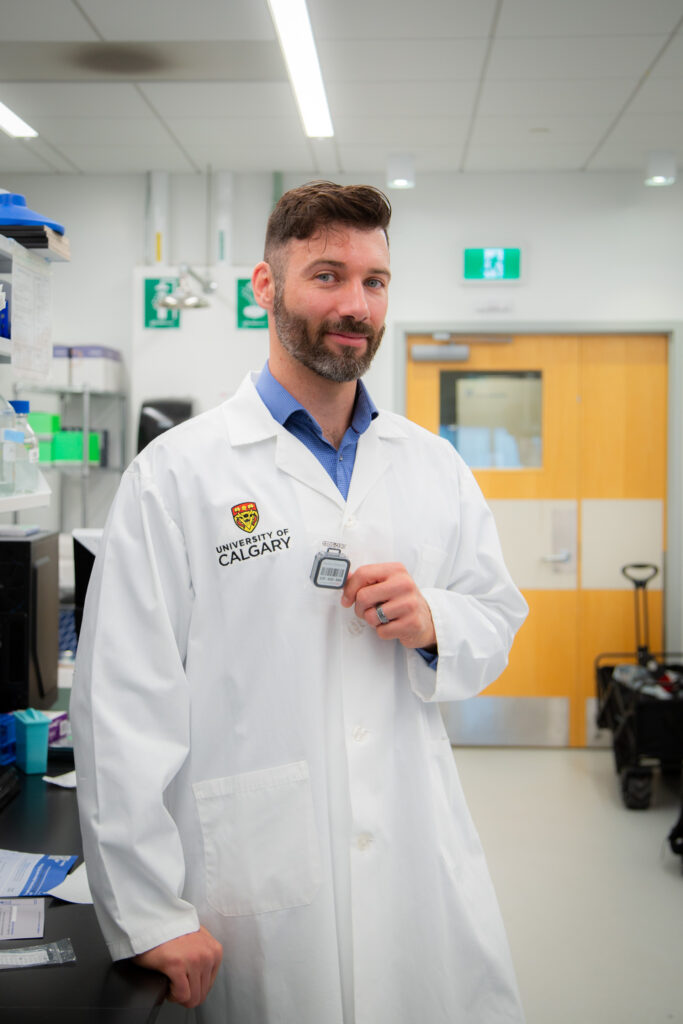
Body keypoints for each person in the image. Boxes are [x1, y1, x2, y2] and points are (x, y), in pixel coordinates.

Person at [71, 181, 529, 1024]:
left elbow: (496, 619)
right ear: (265, 285)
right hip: (252, 874)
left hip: (410, 853)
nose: (356, 305)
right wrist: (146, 911)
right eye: (327, 275)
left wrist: (437, 621)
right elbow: (122, 706)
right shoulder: (178, 474)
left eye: (375, 281)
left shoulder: (432, 467)